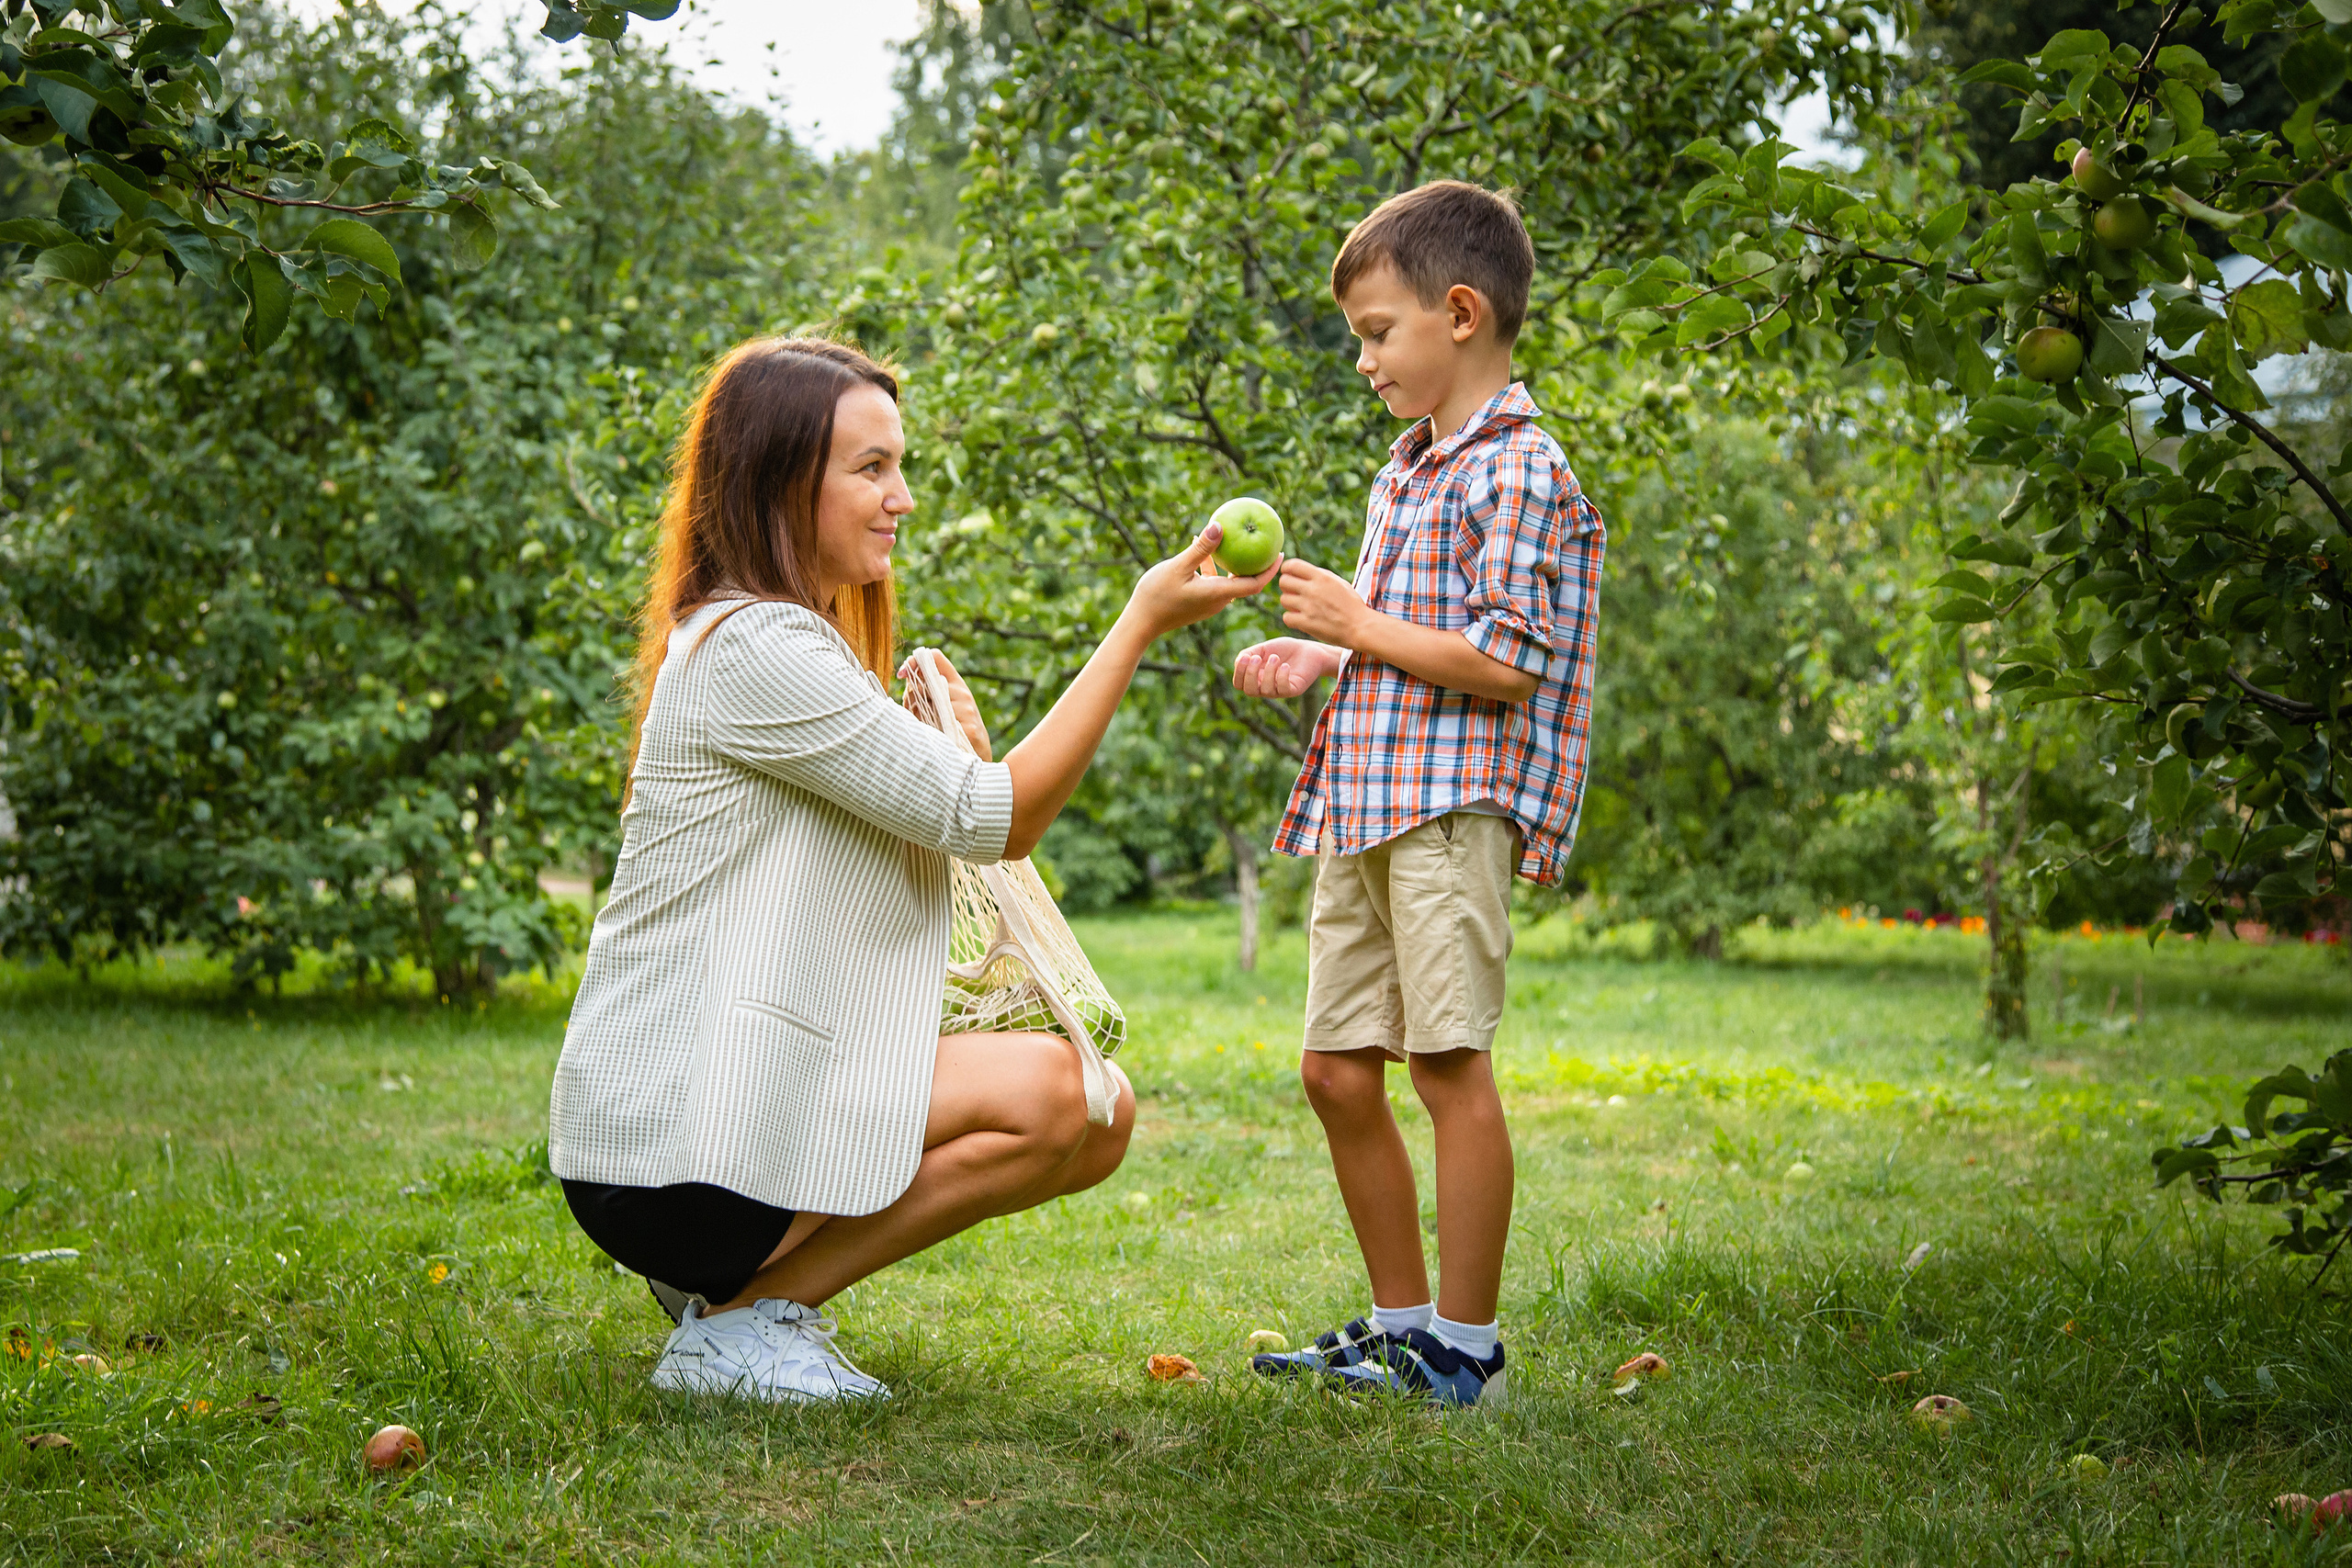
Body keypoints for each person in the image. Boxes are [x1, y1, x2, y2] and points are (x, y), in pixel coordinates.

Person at [548, 337, 1273, 1404]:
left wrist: (957, 759)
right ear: (779, 479)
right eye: (872, 468)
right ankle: (740, 1324)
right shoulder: (757, 651)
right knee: (1064, 1095)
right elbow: (1001, 820)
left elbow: (954, 821)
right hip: (674, 1142)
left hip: (722, 1113)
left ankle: (744, 1302)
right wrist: (1140, 620)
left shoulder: (788, 647)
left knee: (1099, 1112)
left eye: (901, 465)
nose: (904, 498)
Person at [1230, 181, 1605, 1409]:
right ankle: (1403, 1329)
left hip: (1449, 809)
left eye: (1376, 331)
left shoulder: (1520, 469)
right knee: (1337, 1069)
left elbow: (1502, 665)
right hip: (1368, 798)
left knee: (1447, 1065)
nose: (1363, 358)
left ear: (1458, 312)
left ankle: (1470, 1346)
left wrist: (1357, 620)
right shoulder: (1412, 470)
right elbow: (1409, 644)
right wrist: (1329, 655)